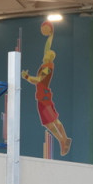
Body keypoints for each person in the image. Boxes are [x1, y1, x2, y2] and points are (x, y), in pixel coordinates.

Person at [23, 20, 72, 155]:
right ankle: (64, 139)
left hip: (43, 97)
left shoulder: (47, 68)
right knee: (51, 121)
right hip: (43, 96)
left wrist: (27, 77)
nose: (45, 54)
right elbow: (47, 47)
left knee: (51, 122)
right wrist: (51, 35)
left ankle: (63, 140)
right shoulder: (46, 64)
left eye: (48, 54)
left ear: (50, 57)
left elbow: (38, 80)